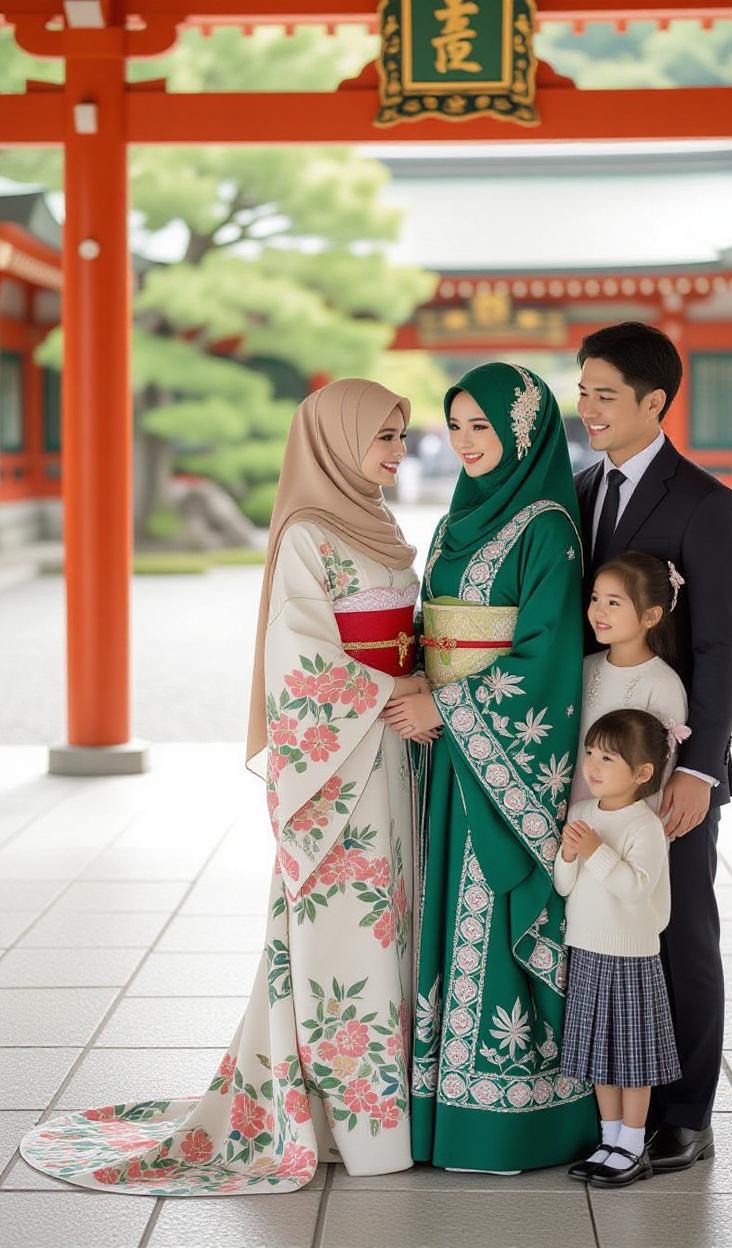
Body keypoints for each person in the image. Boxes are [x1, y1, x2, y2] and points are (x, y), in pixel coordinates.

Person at [20, 379, 428, 1195]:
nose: (396, 451)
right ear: (335, 441)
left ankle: (392, 1112)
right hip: (343, 758)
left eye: (398, 435)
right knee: (342, 929)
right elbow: (300, 659)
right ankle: (345, 1122)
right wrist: (395, 688)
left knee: (395, 914)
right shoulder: (309, 532)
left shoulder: (380, 523)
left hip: (395, 746)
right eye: (382, 437)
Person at [383, 362, 598, 1173]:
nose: (467, 442)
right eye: (457, 425)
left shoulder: (547, 527)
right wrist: (413, 678)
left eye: (483, 426)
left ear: (525, 430)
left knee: (489, 905)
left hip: (497, 752)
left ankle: (508, 1120)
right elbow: (428, 625)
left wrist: (447, 706)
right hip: (444, 754)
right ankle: (437, 1111)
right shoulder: (454, 519)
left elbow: (548, 654)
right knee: (439, 907)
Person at [574, 322, 732, 1170]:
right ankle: (612, 1110)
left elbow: (721, 644)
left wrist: (700, 771)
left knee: (678, 932)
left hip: (671, 763)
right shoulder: (576, 491)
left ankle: (685, 1112)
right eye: (583, 392)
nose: (588, 408)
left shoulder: (707, 503)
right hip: (590, 764)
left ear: (654, 402)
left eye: (605, 395)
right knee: (601, 928)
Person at [555, 709, 682, 1188]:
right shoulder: (582, 813)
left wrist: (594, 851)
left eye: (608, 758)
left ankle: (632, 1142)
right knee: (597, 1051)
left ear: (642, 772)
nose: (593, 765)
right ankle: (607, 1139)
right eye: (590, 752)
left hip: (630, 955)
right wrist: (569, 855)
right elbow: (565, 886)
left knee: (631, 1054)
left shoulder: (644, 826)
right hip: (587, 948)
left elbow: (635, 888)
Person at [571, 551, 689, 807]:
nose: (598, 611)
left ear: (651, 616)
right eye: (595, 598)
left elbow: (658, 778)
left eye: (613, 603)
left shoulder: (663, 684)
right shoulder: (584, 667)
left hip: (627, 824)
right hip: (574, 816)